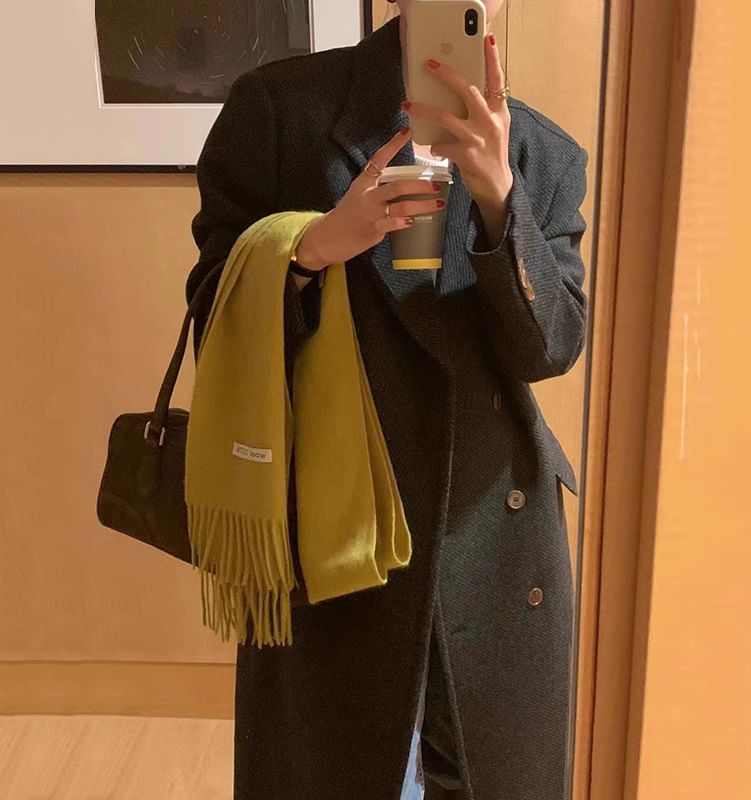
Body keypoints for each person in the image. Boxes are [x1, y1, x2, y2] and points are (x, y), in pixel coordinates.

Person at [185, 2, 589, 799]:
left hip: (493, 533)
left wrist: (502, 201)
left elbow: (552, 348)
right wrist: (313, 245)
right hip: (338, 523)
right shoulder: (280, 111)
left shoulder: (543, 154)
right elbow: (214, 312)